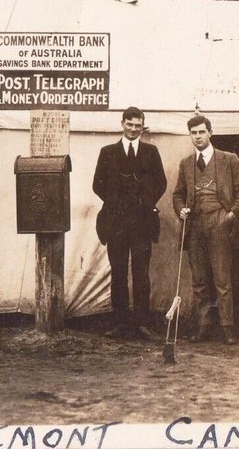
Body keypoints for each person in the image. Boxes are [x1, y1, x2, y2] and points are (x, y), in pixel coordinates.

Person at [172, 115, 239, 345]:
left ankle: (227, 328)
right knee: (199, 279)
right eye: (194, 133)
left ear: (210, 133)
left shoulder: (228, 160)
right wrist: (181, 210)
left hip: (220, 223)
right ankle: (203, 326)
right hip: (195, 226)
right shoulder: (186, 164)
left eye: (202, 132)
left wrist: (230, 215)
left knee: (222, 279)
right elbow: (178, 194)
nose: (198, 137)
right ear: (190, 136)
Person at [92, 106, 167, 340]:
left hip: (143, 223)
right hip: (115, 224)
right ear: (122, 123)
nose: (134, 130)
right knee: (119, 273)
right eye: (130, 124)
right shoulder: (108, 152)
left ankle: (142, 324)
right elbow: (98, 184)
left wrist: (144, 203)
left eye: (138, 126)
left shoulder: (151, 152)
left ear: (142, 127)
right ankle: (121, 324)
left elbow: (161, 182)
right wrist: (116, 204)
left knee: (141, 274)